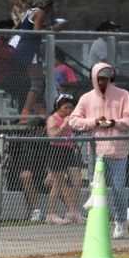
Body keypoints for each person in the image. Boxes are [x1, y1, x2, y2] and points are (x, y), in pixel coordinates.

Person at [69, 62, 129, 239]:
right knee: (97, 189)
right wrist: (94, 122)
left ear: (111, 78)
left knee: (119, 189)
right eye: (98, 79)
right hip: (96, 153)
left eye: (105, 79)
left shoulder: (123, 95)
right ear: (93, 79)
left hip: (118, 151)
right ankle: (98, 223)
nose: (102, 82)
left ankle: (120, 222)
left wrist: (114, 123)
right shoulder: (86, 98)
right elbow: (73, 121)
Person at [44, 93, 84, 224]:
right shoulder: (52, 118)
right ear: (58, 106)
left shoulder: (70, 118)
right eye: (65, 108)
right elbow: (52, 136)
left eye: (70, 108)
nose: (68, 111)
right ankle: (51, 214)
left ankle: (71, 212)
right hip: (57, 150)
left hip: (68, 150)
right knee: (58, 184)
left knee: (77, 181)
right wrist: (63, 124)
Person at [13, 0, 53, 115]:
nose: (49, 9)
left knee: (40, 82)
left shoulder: (29, 12)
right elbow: (36, 31)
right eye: (48, 5)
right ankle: (25, 113)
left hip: (25, 48)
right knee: (37, 83)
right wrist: (52, 29)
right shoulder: (40, 12)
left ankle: (40, 109)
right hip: (30, 49)